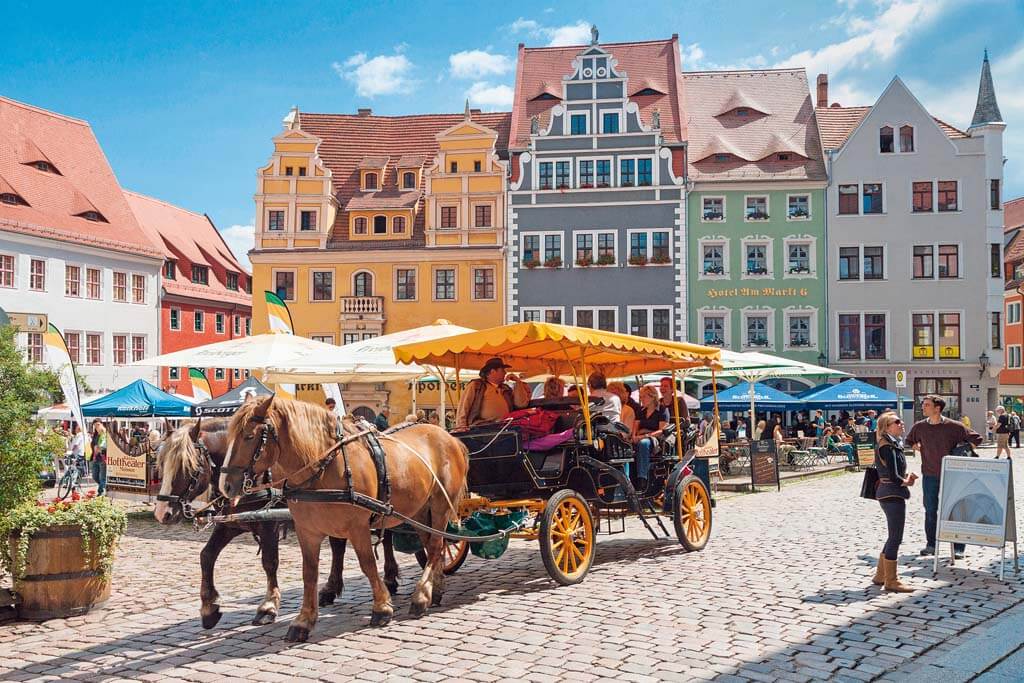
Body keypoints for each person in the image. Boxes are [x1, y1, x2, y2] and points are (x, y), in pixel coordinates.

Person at [906, 395, 982, 559]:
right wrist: (918, 448)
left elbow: (977, 438)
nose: (923, 407)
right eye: (923, 405)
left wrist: (963, 450)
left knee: (957, 510)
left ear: (937, 408)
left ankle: (959, 548)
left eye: (926, 405)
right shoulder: (919, 427)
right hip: (929, 474)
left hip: (954, 475)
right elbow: (909, 440)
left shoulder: (955, 426)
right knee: (930, 510)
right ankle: (931, 545)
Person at [871, 412, 917, 592]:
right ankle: (892, 580)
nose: (901, 423)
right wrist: (906, 481)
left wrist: (904, 478)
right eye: (897, 421)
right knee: (896, 537)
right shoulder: (887, 446)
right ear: (886, 426)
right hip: (892, 493)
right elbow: (892, 474)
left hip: (889, 492)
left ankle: (880, 575)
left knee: (892, 535)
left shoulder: (892, 443)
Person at [454, 357, 530, 431]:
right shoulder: (476, 385)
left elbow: (521, 404)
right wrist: (461, 426)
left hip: (504, 427)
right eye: (502, 370)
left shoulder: (506, 389)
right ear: (493, 371)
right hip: (482, 429)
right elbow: (464, 406)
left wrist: (518, 382)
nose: (505, 373)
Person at [631, 385, 668, 491]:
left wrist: (645, 435)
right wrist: (634, 436)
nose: (641, 399)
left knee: (644, 443)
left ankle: (642, 479)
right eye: (641, 397)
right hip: (640, 436)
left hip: (656, 440)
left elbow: (661, 430)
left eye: (643, 397)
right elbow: (635, 426)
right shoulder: (641, 411)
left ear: (652, 397)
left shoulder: (662, 410)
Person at [89, 420, 107, 496]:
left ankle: (101, 492)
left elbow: (104, 446)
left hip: (103, 458)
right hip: (96, 458)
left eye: (98, 424)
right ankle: (104, 486)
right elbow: (93, 445)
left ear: (102, 424)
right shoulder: (96, 435)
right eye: (95, 425)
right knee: (94, 476)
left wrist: (99, 448)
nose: (97, 427)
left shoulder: (105, 434)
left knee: (102, 477)